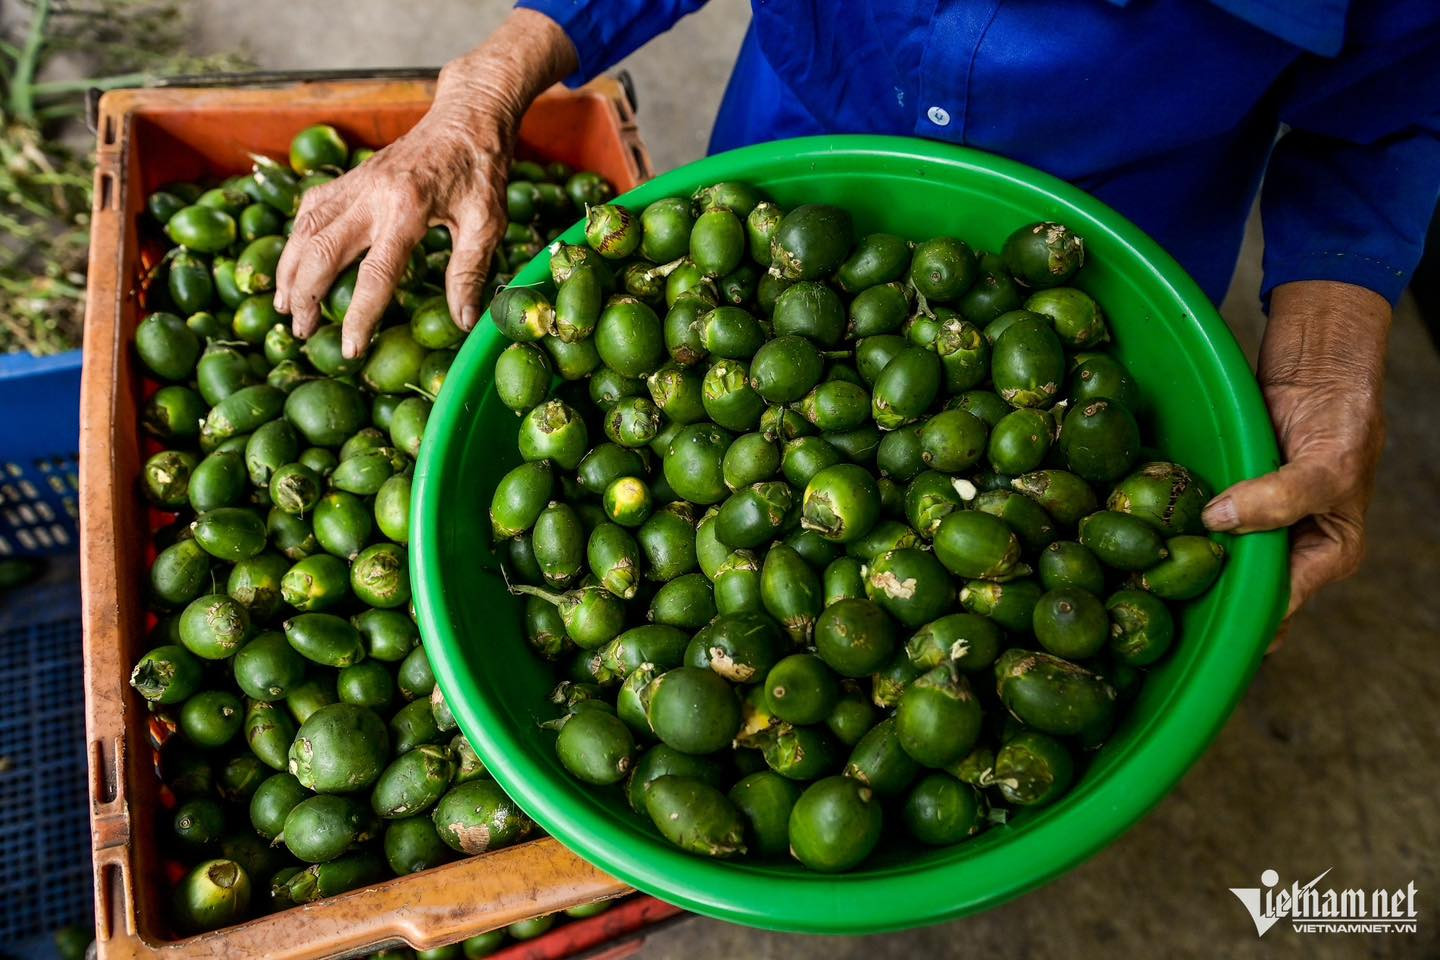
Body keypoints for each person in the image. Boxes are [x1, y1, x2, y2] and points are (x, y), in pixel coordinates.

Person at [273, 1, 1440, 627]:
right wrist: (481, 87)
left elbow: (1386, 108)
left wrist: (1333, 361)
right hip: (796, 158)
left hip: (1107, 266)